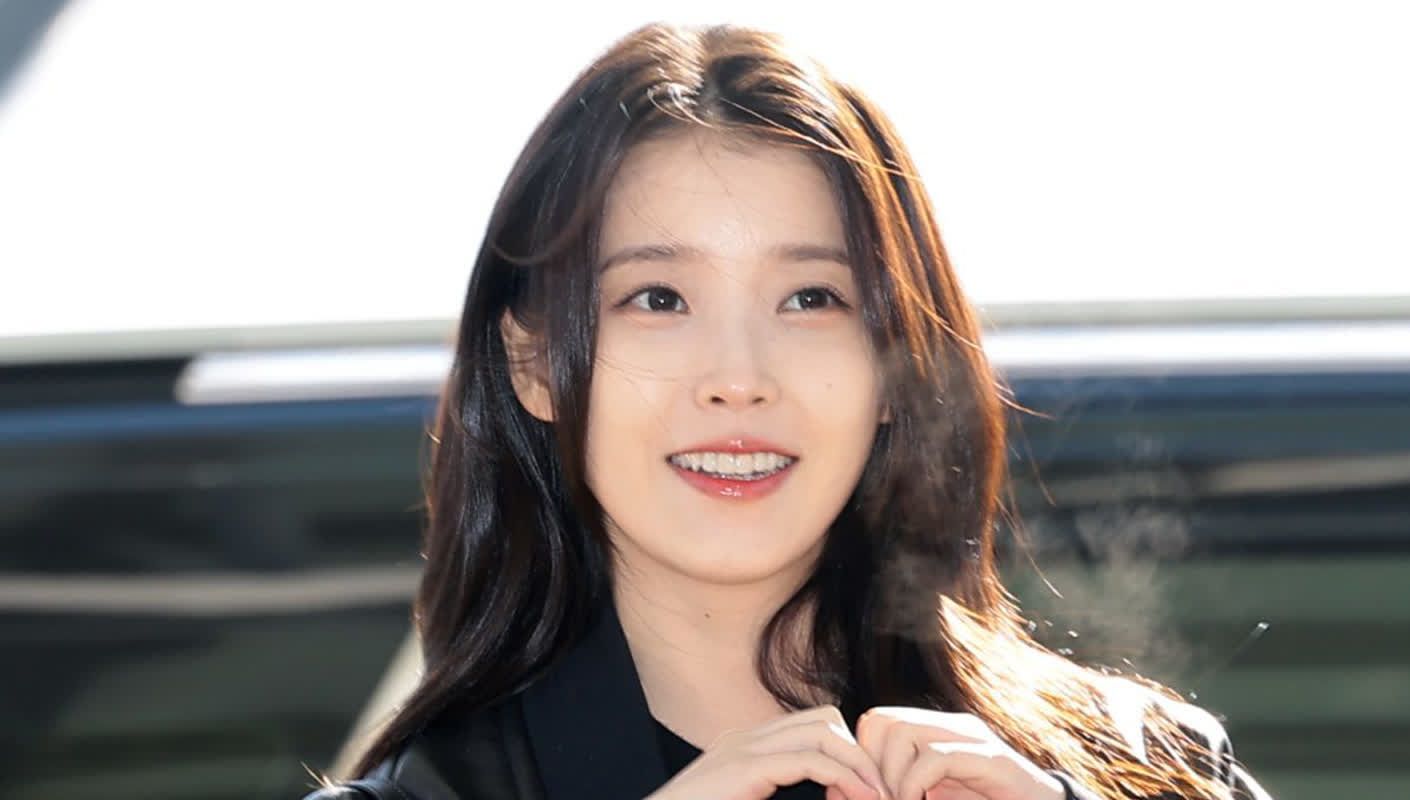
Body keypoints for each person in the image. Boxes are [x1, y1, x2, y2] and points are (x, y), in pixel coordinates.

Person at [303, 22, 1271, 800]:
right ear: (533, 363)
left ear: (898, 363)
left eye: (812, 298)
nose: (739, 377)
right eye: (657, 298)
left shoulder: (1146, 766)